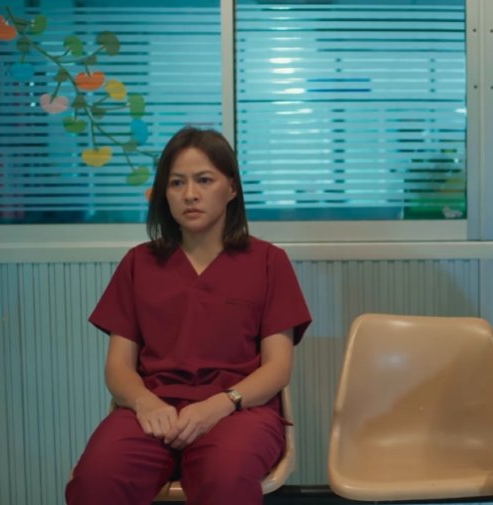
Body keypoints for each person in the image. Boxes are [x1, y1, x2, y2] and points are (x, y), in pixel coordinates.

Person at [66, 127, 312, 505]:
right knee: (95, 480)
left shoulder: (268, 262)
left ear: (232, 189)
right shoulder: (138, 263)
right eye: (176, 182)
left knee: (226, 478)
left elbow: (278, 368)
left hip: (237, 411)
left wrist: (220, 404)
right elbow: (118, 368)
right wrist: (145, 403)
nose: (190, 194)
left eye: (204, 180)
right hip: (154, 411)